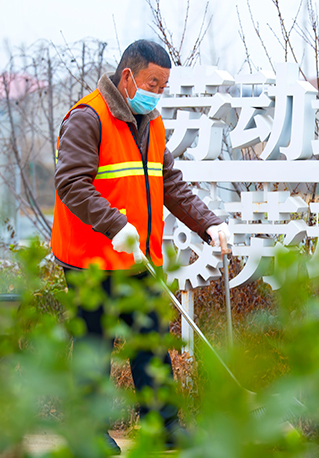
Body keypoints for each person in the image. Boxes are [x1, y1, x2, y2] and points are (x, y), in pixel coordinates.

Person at [51, 39, 229, 454]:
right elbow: (70, 182)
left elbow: (170, 184)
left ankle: (163, 427)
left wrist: (209, 223)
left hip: (137, 257)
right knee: (94, 344)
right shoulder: (88, 117)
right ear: (128, 77)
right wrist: (115, 225)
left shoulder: (151, 123)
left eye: (164, 86)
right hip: (90, 257)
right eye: (154, 83)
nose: (158, 93)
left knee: (150, 339)